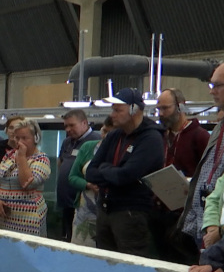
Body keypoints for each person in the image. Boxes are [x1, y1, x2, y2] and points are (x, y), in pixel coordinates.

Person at [85, 88, 164, 257]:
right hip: (105, 209)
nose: (112, 115)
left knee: (130, 265)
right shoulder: (114, 136)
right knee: (104, 262)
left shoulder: (151, 139)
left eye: (117, 110)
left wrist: (105, 169)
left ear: (134, 110)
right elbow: (90, 172)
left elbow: (126, 176)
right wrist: (112, 173)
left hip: (131, 213)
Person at [150, 88, 209, 264]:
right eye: (158, 109)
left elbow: (208, 174)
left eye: (165, 108)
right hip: (161, 212)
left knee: (183, 262)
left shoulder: (200, 136)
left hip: (186, 216)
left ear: (180, 107)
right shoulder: (163, 136)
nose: (161, 114)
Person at [180, 65, 224, 250]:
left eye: (217, 85)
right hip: (205, 225)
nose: (212, 91)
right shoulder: (219, 128)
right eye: (210, 85)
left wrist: (219, 230)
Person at [0, 119, 51, 237]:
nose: (19, 142)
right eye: (17, 138)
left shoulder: (41, 159)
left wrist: (21, 157)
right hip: (4, 220)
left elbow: (27, 183)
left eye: (24, 138)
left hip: (28, 221)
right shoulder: (9, 155)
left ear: (35, 138)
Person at [56, 109, 101, 243]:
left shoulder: (95, 141)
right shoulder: (67, 142)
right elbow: (61, 162)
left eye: (72, 125)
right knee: (67, 239)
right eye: (65, 126)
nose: (68, 129)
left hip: (83, 205)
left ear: (84, 123)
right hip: (66, 201)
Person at [68, 116, 113, 247]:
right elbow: (72, 177)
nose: (105, 135)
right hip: (84, 212)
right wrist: (87, 184)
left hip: (107, 213)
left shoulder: (117, 151)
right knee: (80, 250)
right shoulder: (88, 147)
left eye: (110, 132)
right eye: (104, 131)